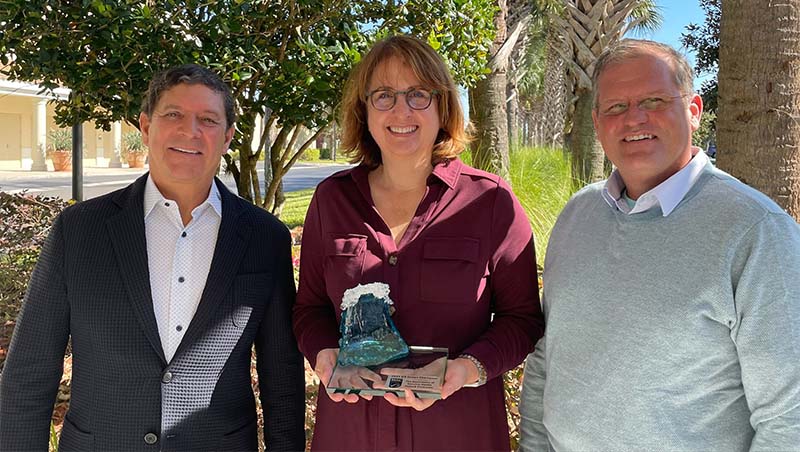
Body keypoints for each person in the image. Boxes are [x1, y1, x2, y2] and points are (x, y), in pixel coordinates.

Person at [0, 64, 305, 451]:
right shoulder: (78, 231)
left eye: (208, 120)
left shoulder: (265, 238)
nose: (189, 131)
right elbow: (29, 374)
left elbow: (282, 379)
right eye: (173, 115)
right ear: (146, 127)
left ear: (228, 137)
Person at [519, 39, 800, 450]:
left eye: (654, 100)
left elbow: (789, 416)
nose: (634, 119)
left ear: (694, 111)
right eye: (616, 107)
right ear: (597, 123)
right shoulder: (578, 216)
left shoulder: (756, 231)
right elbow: (548, 360)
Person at [292, 34, 544, 451]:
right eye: (384, 96)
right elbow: (310, 309)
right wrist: (322, 354)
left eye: (417, 95)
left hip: (458, 434)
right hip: (351, 435)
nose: (401, 110)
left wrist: (469, 368)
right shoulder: (331, 200)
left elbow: (523, 320)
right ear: (365, 110)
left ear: (443, 106)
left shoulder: (491, 201)